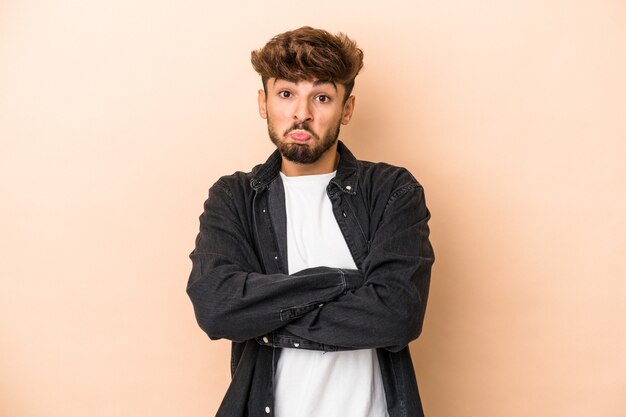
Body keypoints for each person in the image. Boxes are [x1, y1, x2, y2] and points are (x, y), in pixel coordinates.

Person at [187, 26, 435, 417]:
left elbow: (398, 315)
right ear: (263, 103)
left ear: (347, 109)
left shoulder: (391, 190)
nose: (302, 113)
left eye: (321, 97)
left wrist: (263, 320)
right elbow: (218, 307)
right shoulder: (234, 197)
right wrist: (342, 282)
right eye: (286, 94)